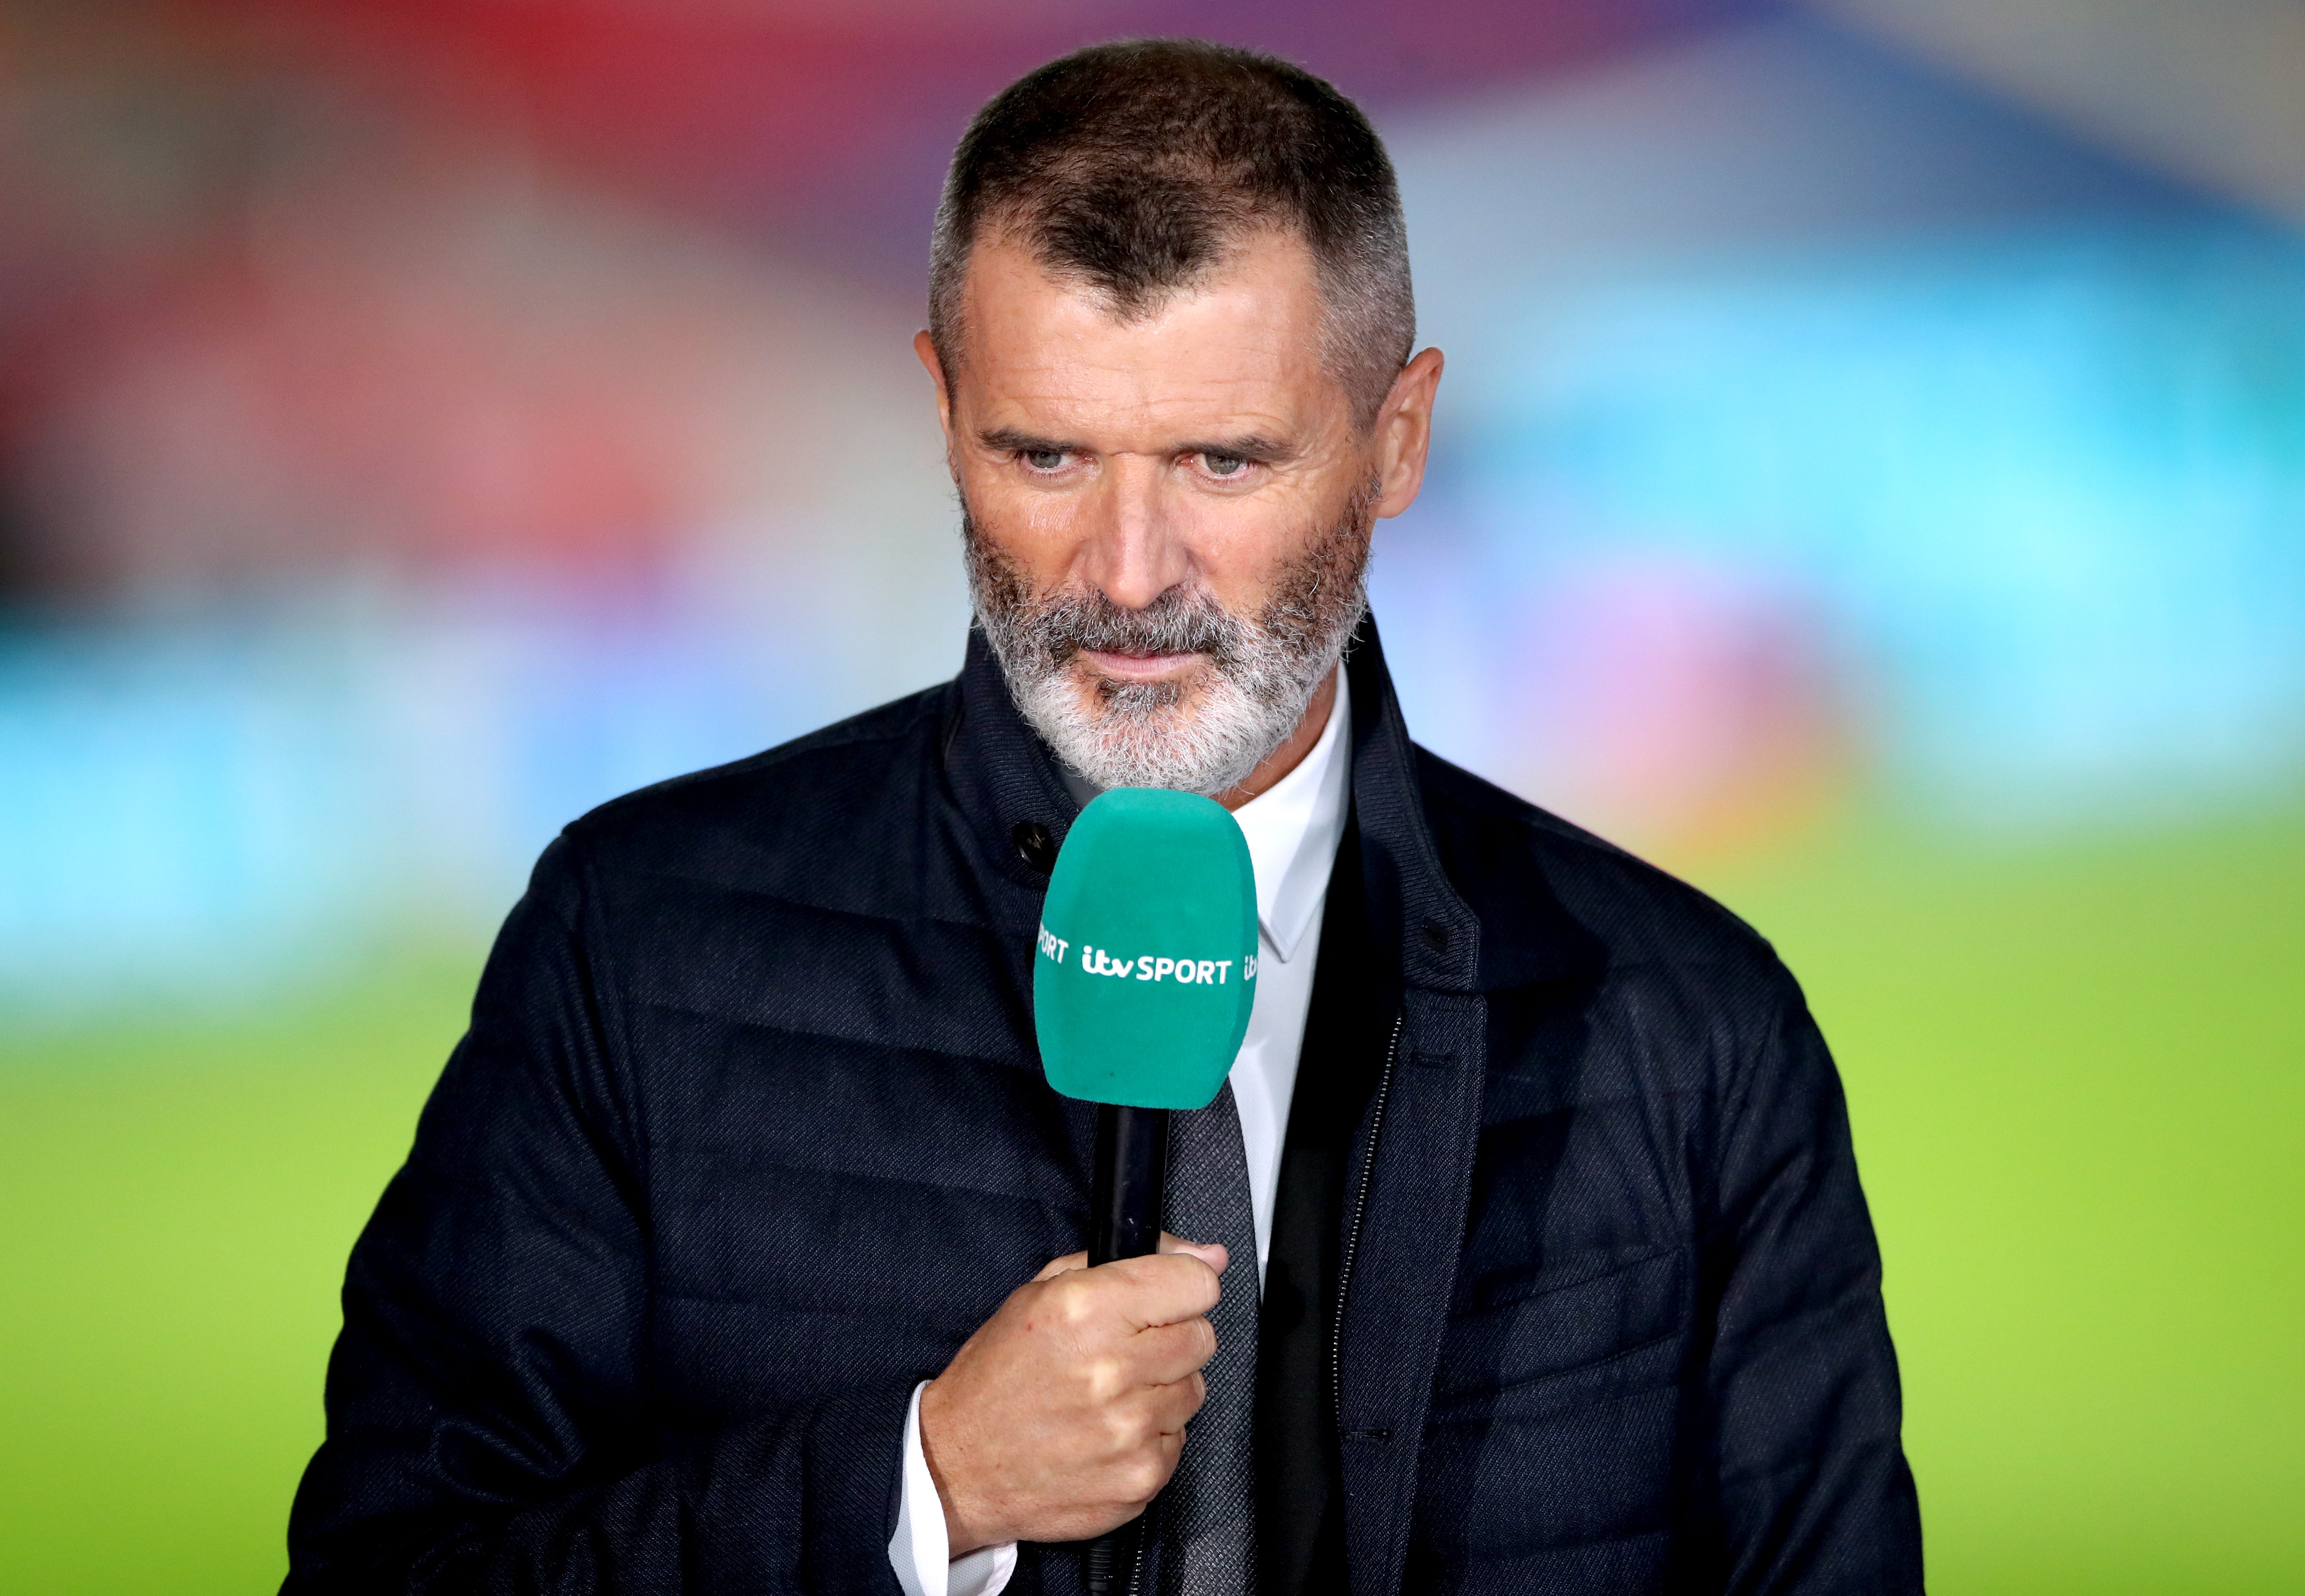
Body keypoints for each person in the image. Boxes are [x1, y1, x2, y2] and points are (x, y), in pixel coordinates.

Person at [284, 37, 1922, 1596]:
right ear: (941, 414)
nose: (1126, 577)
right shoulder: (632, 945)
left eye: (1220, 462)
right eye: (1046, 454)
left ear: (1396, 439)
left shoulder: (1688, 1023)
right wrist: (923, 1487)